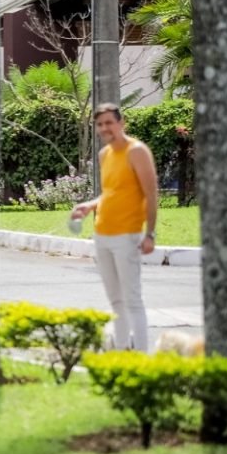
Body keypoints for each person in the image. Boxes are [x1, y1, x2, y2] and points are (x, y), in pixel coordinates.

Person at [71, 103, 159, 352]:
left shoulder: (137, 151)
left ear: (122, 124)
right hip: (102, 235)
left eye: (109, 122)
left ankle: (142, 356)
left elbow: (151, 195)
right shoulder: (104, 155)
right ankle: (121, 351)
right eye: (100, 124)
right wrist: (89, 205)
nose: (104, 128)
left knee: (132, 299)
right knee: (115, 300)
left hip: (127, 235)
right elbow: (110, 193)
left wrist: (149, 234)